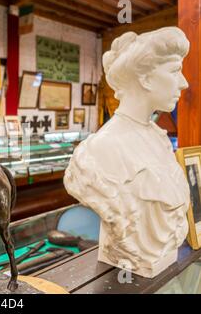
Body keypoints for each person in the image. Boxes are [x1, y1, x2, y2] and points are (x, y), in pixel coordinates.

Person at [64, 27, 190, 278]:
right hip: (129, 267)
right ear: (145, 78)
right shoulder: (101, 149)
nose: (184, 82)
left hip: (166, 264)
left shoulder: (160, 140)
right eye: (175, 70)